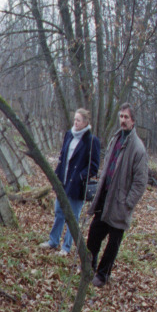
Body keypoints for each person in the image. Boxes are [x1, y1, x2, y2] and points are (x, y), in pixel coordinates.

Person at [85, 103, 149, 287]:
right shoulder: (116, 139)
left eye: (126, 117)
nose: (123, 120)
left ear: (133, 121)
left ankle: (102, 275)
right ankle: (89, 267)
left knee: (113, 244)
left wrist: (127, 203)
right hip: (105, 197)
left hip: (120, 203)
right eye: (121, 116)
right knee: (94, 235)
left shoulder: (138, 148)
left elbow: (140, 182)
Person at [40, 108, 100, 254]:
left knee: (72, 217)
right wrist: (56, 175)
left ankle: (66, 247)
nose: (75, 122)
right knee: (59, 212)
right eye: (75, 119)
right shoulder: (69, 134)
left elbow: (94, 166)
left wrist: (81, 176)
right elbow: (62, 156)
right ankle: (53, 241)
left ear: (85, 123)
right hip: (63, 182)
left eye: (78, 120)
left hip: (77, 186)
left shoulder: (92, 141)